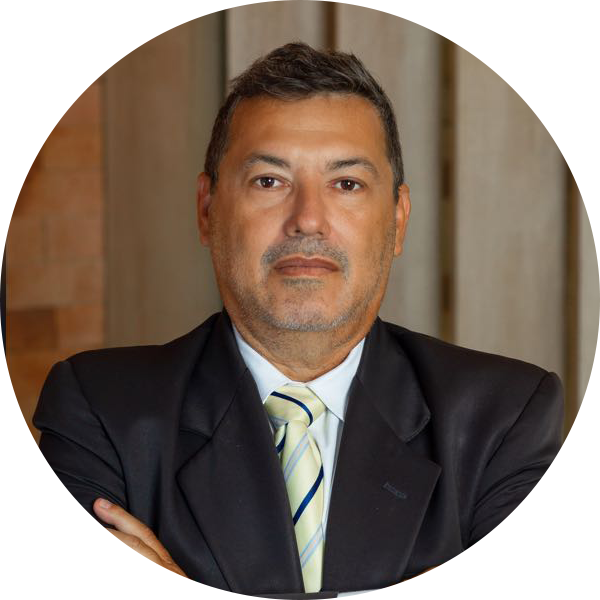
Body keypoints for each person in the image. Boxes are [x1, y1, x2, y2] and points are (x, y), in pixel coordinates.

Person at [28, 42, 571, 600]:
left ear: (398, 220)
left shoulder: (501, 415)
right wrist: (395, 599)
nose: (308, 219)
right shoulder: (102, 409)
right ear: (207, 210)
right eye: (270, 181)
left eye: (347, 184)